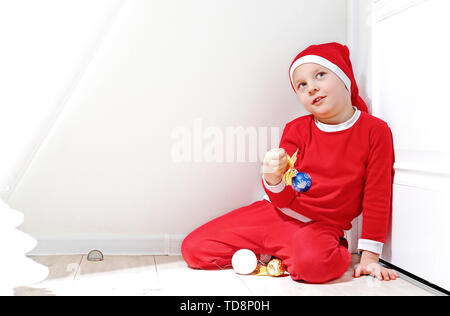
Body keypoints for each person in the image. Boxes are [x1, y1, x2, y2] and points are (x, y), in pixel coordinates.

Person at [181, 42, 399, 283]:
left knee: (315, 266)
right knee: (194, 249)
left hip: (319, 226)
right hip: (273, 213)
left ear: (343, 76)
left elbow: (377, 195)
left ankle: (302, 252)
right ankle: (278, 255)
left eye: (320, 75)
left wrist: (369, 257)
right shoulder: (296, 130)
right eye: (302, 85)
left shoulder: (375, 131)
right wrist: (272, 179)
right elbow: (283, 198)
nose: (312, 88)